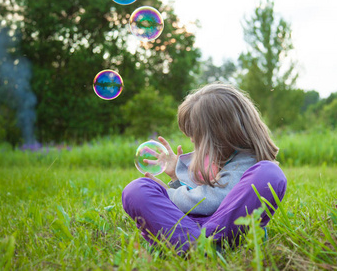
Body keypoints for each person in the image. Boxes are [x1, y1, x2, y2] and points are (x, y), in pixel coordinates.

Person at [122, 83, 287, 253]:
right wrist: (177, 180)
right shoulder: (210, 160)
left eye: (196, 135)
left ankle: (202, 246)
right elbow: (197, 200)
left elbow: (210, 201)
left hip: (226, 230)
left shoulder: (248, 162)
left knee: (270, 174)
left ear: (220, 134)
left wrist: (168, 194)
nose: (193, 141)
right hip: (190, 227)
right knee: (136, 189)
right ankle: (198, 245)